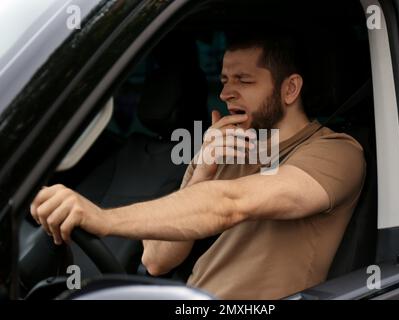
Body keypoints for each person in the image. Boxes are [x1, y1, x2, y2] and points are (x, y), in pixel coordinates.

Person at [30, 32, 366, 299]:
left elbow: (231, 204)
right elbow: (156, 260)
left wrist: (103, 219)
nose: (227, 93)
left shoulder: (335, 152)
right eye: (224, 80)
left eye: (244, 81)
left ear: (290, 88)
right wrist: (203, 167)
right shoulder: (223, 151)